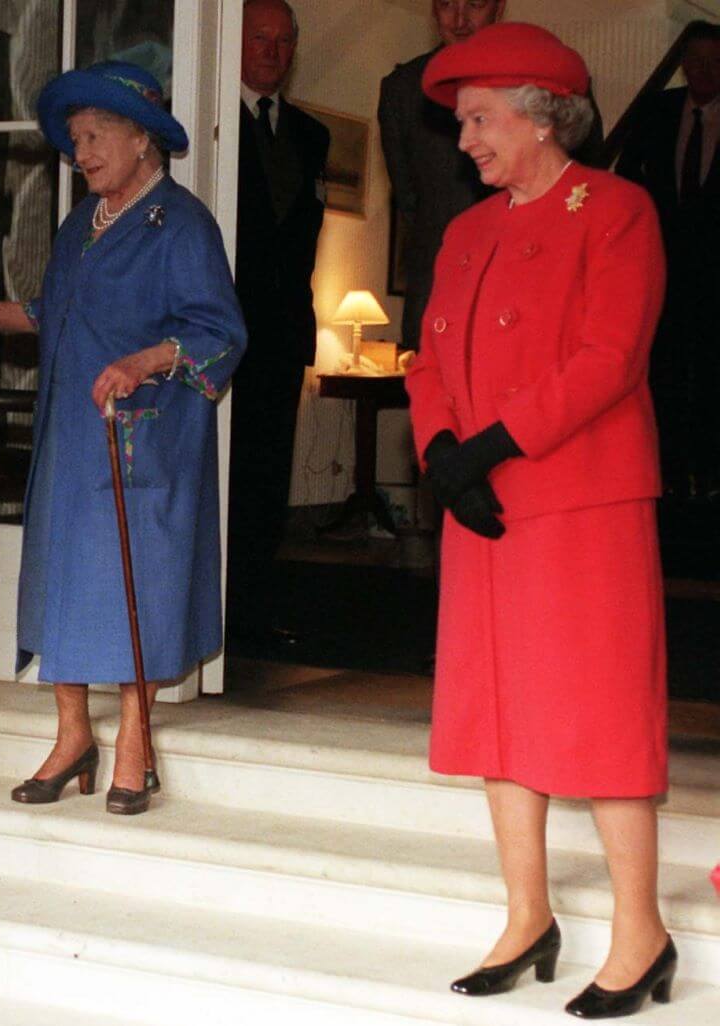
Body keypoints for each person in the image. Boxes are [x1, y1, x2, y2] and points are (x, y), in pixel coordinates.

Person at [408, 23, 674, 1019]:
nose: (466, 140)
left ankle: (640, 931)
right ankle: (529, 916)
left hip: (579, 498)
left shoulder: (615, 210)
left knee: (598, 713)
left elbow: (610, 357)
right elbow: (427, 355)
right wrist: (441, 450)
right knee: (496, 712)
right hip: (481, 507)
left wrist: (492, 446)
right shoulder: (466, 232)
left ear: (539, 113)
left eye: (478, 120)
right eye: (462, 123)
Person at [0, 61, 246, 816]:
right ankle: (72, 735)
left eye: (94, 136)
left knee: (137, 581)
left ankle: (136, 741)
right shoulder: (82, 223)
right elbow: (61, 312)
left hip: (145, 433)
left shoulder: (182, 224)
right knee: (63, 581)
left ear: (142, 139)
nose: (80, 153)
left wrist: (147, 360)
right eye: (75, 139)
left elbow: (219, 331)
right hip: (72, 430)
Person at [378, 0, 606, 350]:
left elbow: (585, 179)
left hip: (534, 288)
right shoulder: (404, 88)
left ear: (499, 9)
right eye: (446, 5)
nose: (459, 19)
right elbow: (410, 201)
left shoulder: (545, 77)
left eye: (474, 5)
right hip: (442, 291)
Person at [228, 0, 329, 646]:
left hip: (284, 334)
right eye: (260, 38)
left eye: (284, 41)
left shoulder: (311, 137)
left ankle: (256, 615)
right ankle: (222, 618)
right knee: (227, 477)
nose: (273, 51)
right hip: (223, 333)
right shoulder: (208, 123)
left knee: (269, 479)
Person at [618, 20, 720, 499]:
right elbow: (627, 179)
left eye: (715, 62)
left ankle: (711, 477)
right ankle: (671, 478)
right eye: (696, 60)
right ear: (683, 65)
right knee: (664, 374)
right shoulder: (658, 111)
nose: (704, 70)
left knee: (712, 376)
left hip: (715, 275)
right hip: (661, 268)